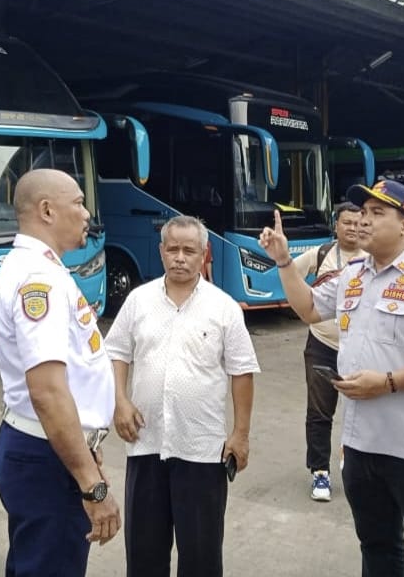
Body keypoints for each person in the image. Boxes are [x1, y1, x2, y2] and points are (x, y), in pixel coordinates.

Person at [260, 179, 404, 577]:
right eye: (362, 211)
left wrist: (388, 382)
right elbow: (308, 309)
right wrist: (285, 262)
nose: (363, 221)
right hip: (361, 446)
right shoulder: (353, 274)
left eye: (377, 213)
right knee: (378, 549)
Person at [106, 215, 259, 577]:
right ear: (161, 251)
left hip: (202, 450)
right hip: (146, 444)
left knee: (202, 556)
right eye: (172, 249)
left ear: (204, 254)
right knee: (144, 555)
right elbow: (117, 353)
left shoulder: (224, 308)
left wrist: (240, 433)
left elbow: (242, 372)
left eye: (189, 250)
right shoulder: (138, 300)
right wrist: (120, 401)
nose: (179, 257)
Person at [0, 168, 121, 576]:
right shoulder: (38, 279)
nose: (86, 214)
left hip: (50, 449)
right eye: (78, 203)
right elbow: (47, 391)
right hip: (46, 458)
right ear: (47, 210)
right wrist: (92, 485)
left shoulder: (42, 268)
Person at [291, 201, 364, 501]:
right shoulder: (321, 254)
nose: (354, 228)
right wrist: (305, 301)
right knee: (320, 410)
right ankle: (320, 471)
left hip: (359, 346)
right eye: (347, 222)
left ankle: (354, 462)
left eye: (359, 223)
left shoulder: (371, 258)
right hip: (322, 344)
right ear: (336, 225)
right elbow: (289, 274)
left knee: (360, 410)